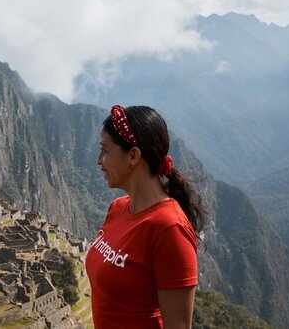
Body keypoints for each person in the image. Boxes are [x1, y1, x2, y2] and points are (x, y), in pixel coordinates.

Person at [85, 105, 207, 328]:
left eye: (105, 151)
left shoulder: (170, 229)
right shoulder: (117, 208)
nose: (99, 160)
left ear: (133, 155)